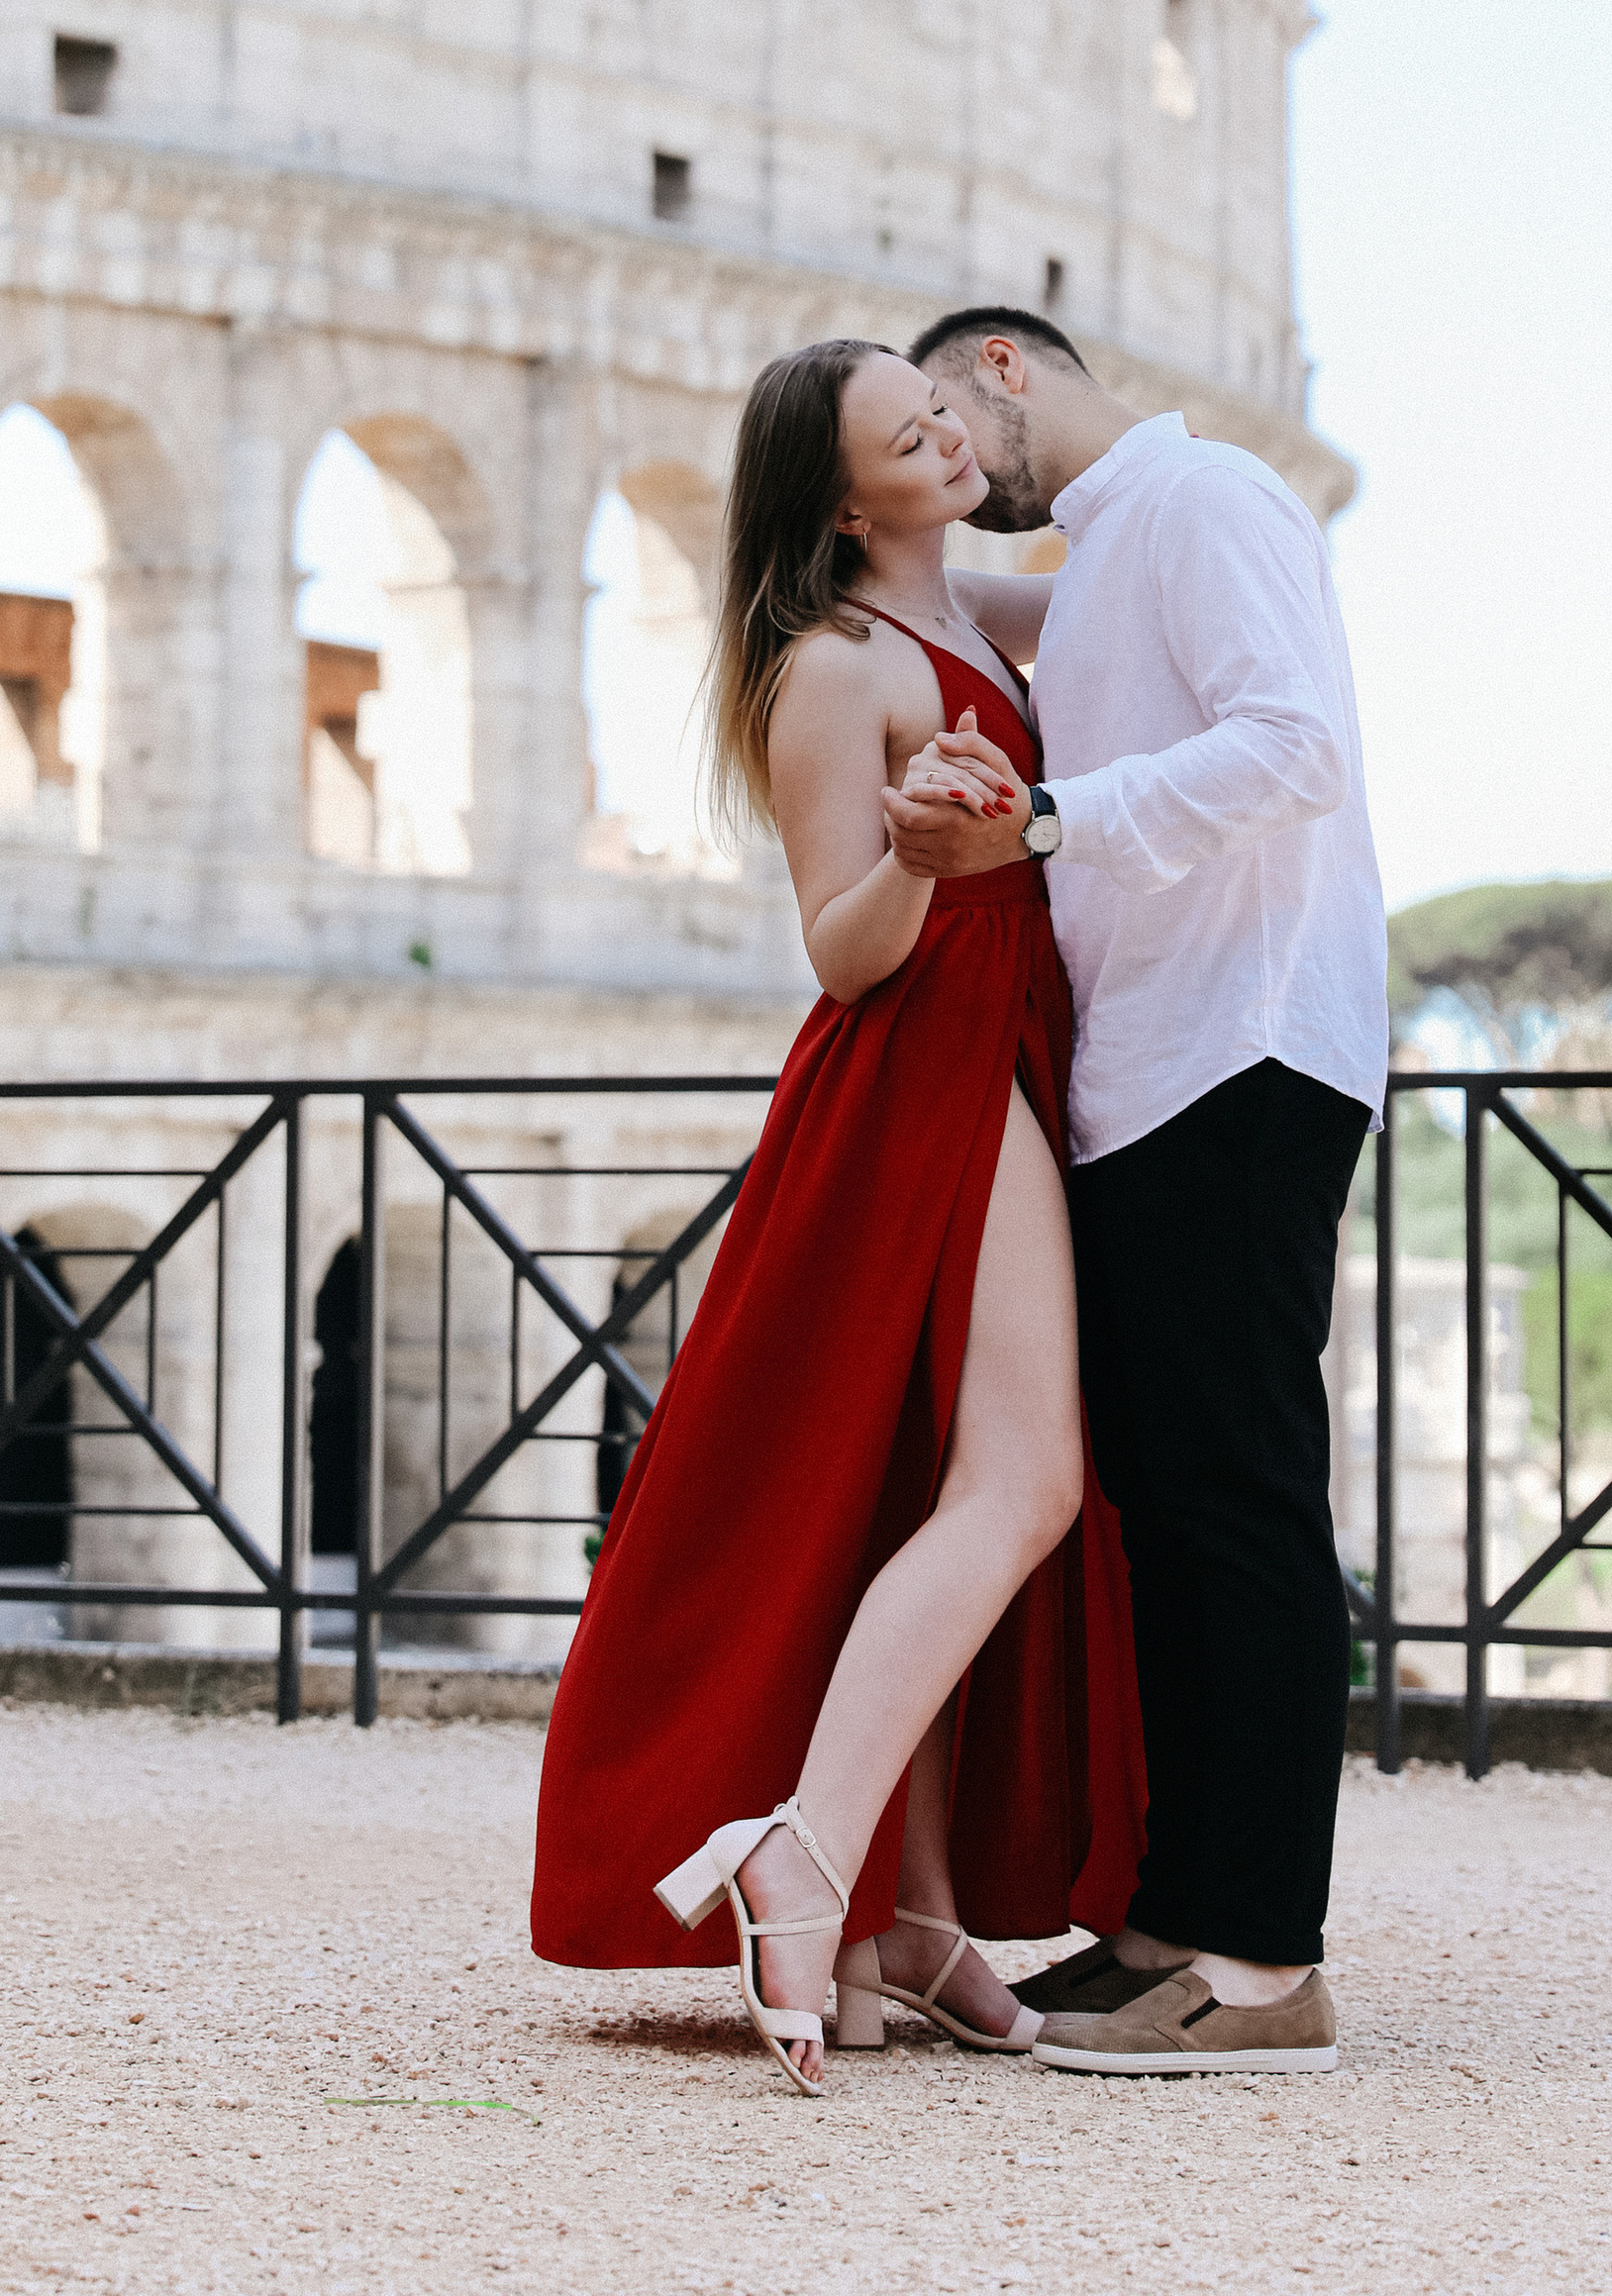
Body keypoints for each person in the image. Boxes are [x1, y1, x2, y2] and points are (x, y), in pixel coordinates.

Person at [528, 339, 1146, 2095]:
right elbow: (841, 948)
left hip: (1009, 1053)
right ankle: (798, 1853)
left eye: (942, 407)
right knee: (1020, 1482)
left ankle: (915, 1919)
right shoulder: (831, 666)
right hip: (922, 1075)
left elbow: (1119, 576)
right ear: (838, 496)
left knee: (927, 1486)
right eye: (905, 430)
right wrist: (924, 854)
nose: (949, 433)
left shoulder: (975, 623)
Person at [892, 305, 1386, 2080]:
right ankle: (1183, 1921)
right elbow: (929, 594)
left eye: (947, 417)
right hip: (1165, 1063)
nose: (950, 461)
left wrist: (1037, 823)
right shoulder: (1100, 556)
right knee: (1175, 1507)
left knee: (1236, 1499)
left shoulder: (1206, 501)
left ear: (1006, 367)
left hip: (1242, 1047)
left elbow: (1293, 749)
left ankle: (1261, 1963)